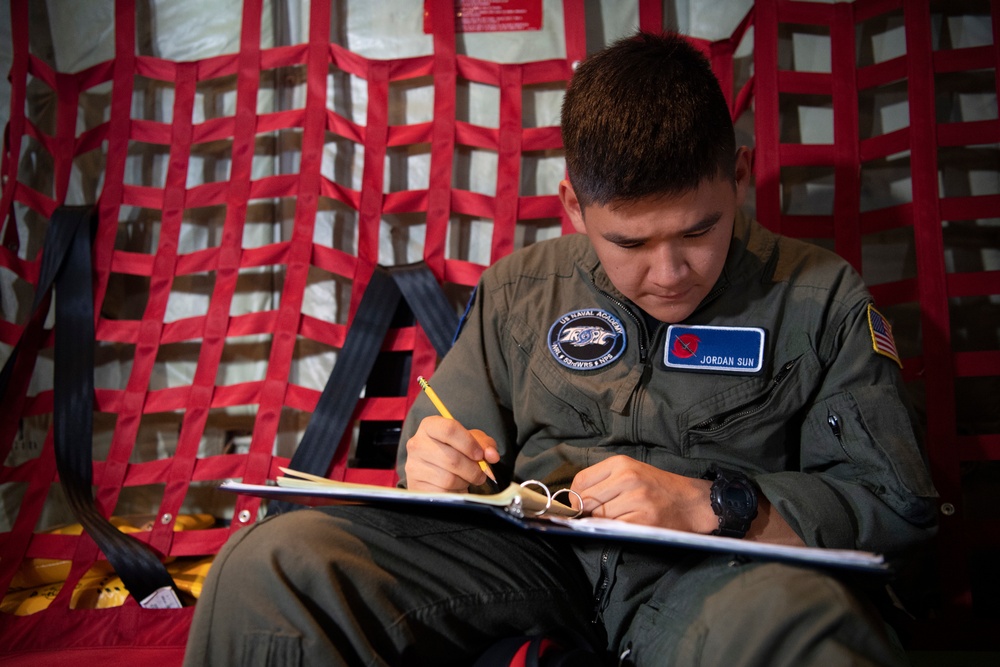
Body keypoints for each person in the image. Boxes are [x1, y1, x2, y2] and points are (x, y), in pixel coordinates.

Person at [185, 31, 938, 666]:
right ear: (574, 205)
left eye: (699, 231)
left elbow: (896, 512)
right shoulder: (523, 289)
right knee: (270, 566)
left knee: (801, 623)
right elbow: (441, 432)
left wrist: (713, 504)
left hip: (718, 577)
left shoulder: (822, 300)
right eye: (631, 242)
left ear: (738, 176)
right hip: (530, 565)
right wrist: (433, 457)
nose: (670, 272)